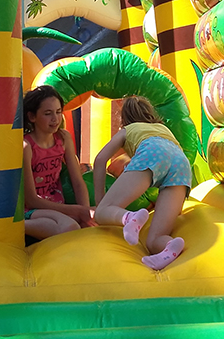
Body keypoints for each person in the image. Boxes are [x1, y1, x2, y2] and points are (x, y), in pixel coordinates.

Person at [92, 95, 191, 269]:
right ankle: (170, 245)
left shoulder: (128, 130)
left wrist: (101, 203)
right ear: (150, 114)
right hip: (182, 164)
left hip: (153, 153)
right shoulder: (163, 129)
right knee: (154, 240)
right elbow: (170, 160)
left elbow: (100, 160)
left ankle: (129, 217)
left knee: (101, 213)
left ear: (124, 119)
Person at [23, 85, 95, 238]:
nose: (55, 119)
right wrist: (78, 210)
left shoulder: (63, 139)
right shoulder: (27, 147)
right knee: (70, 227)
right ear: (32, 117)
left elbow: (77, 182)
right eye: (47, 113)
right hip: (32, 210)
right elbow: (31, 200)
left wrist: (85, 212)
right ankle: (15, 226)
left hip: (57, 207)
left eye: (58, 112)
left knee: (84, 220)